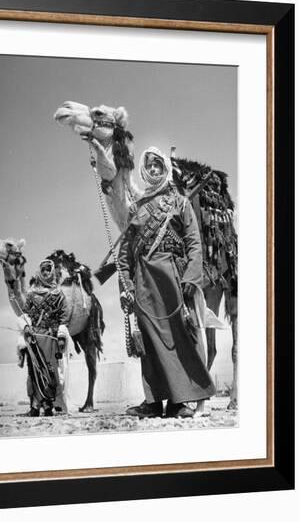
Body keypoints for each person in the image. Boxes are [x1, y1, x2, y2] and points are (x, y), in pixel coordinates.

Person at [119, 147, 216, 418]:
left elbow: (194, 244)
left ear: (165, 169)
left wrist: (191, 278)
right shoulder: (136, 209)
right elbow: (125, 255)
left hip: (173, 278)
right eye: (148, 166)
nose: (153, 170)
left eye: (158, 165)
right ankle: (152, 402)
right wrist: (126, 287)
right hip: (143, 283)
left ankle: (179, 401)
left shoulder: (180, 203)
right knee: (149, 341)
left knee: (179, 339)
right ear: (143, 170)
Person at [17, 259, 71, 416]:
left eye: (49, 269)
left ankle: (51, 405)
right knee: (34, 371)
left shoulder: (58, 294)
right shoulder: (31, 294)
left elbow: (64, 315)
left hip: (50, 338)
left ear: (52, 271)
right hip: (33, 338)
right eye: (44, 269)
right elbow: (25, 313)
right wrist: (26, 326)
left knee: (50, 371)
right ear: (40, 272)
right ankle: (35, 406)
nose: (46, 272)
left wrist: (61, 334)